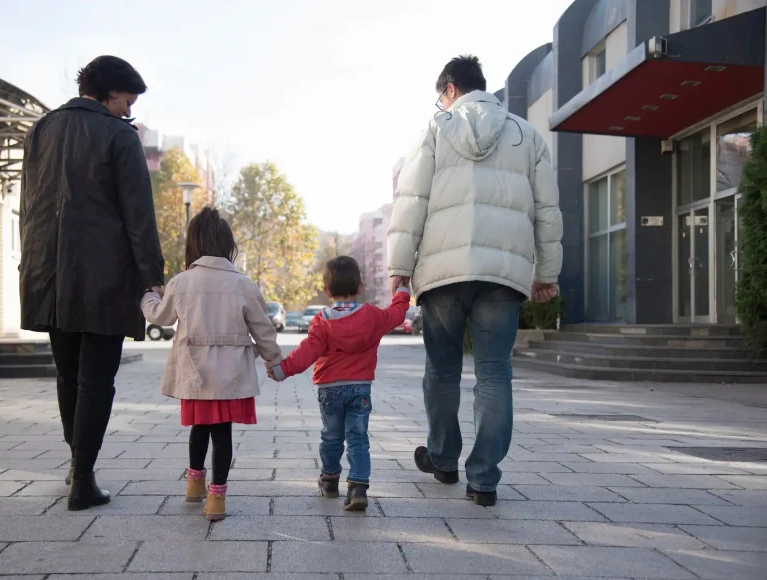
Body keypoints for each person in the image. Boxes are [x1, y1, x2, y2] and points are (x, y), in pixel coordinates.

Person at [387, 55, 563, 506]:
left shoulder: (436, 129)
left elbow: (412, 201)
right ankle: (484, 479)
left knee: (442, 371)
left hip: (444, 275)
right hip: (502, 276)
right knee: (494, 372)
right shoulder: (527, 135)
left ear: (449, 90)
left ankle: (444, 459)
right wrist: (546, 274)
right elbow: (547, 209)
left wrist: (399, 269)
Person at [19, 56, 164, 511]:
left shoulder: (41, 130)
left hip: (50, 275)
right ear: (108, 93)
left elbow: (29, 207)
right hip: (104, 279)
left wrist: (32, 267)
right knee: (96, 380)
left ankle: (75, 463)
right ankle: (83, 478)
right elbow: (139, 216)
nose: (127, 111)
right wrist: (152, 279)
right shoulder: (120, 136)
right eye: (126, 101)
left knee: (68, 374)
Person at [141, 207, 282, 521]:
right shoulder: (244, 285)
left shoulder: (181, 283)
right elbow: (263, 329)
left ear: (195, 244)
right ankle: (216, 500)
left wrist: (149, 296)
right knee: (223, 435)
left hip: (194, 374)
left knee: (198, 428)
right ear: (227, 245)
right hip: (230, 376)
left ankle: (194, 486)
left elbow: (159, 317)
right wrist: (274, 362)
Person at [269, 256, 411, 510]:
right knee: (358, 437)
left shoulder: (322, 322)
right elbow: (397, 314)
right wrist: (402, 289)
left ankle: (330, 479)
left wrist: (283, 370)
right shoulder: (372, 316)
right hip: (360, 388)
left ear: (326, 291)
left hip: (330, 389)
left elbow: (306, 352)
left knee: (332, 436)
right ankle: (358, 487)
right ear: (360, 287)